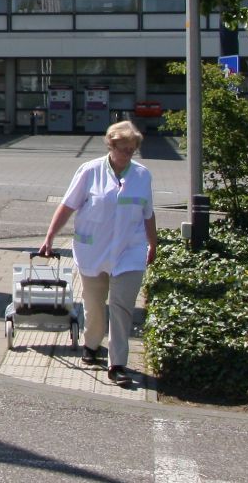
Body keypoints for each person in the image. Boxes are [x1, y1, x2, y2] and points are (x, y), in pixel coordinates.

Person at [37, 119, 158, 384]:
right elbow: (68, 206)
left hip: (129, 250)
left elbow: (148, 213)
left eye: (132, 150)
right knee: (94, 305)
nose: (127, 155)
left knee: (122, 307)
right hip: (93, 249)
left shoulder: (142, 175)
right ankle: (91, 344)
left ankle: (117, 364)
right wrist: (50, 237)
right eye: (123, 149)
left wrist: (152, 243)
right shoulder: (90, 171)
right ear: (111, 146)